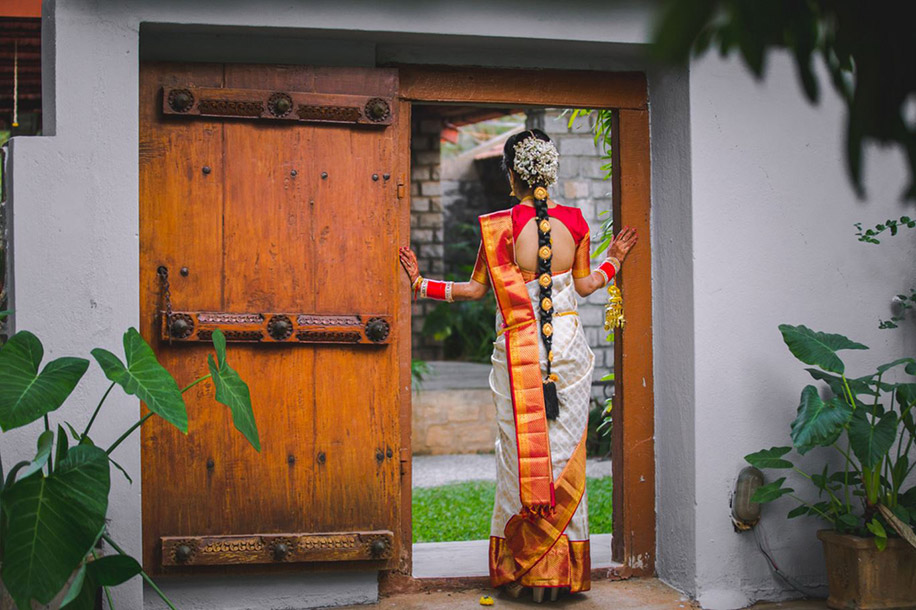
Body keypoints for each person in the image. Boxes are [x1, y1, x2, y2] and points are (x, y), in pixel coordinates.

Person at [398, 129, 637, 602]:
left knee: (519, 457)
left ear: (512, 173)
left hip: (518, 354)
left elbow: (474, 291)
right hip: (568, 352)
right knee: (566, 457)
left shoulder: (499, 228)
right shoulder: (576, 222)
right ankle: (561, 573)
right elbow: (587, 286)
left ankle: (524, 570)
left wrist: (420, 283)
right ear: (551, 169)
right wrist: (614, 260)